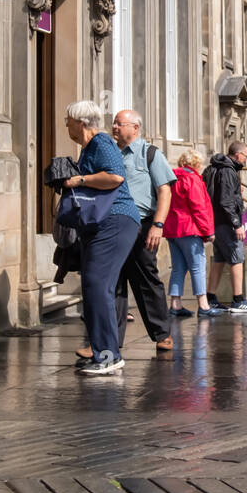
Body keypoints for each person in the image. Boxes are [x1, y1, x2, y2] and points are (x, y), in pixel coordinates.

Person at [62, 101, 140, 376]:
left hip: (116, 219)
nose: (65, 124)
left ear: (81, 122)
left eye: (68, 119)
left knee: (98, 285)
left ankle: (108, 356)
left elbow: (115, 177)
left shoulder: (101, 142)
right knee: (95, 286)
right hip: (104, 224)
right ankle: (103, 353)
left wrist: (79, 180)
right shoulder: (88, 149)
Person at [105, 110, 176, 359]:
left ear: (135, 127)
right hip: (113, 225)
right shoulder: (111, 153)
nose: (113, 126)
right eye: (113, 122)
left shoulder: (150, 154)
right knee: (112, 282)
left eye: (119, 123)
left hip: (142, 225)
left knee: (146, 279)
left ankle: (162, 333)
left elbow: (164, 191)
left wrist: (158, 225)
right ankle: (109, 341)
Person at [202, 141, 247, 313]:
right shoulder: (227, 171)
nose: (246, 161)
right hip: (226, 223)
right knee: (237, 258)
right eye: (245, 157)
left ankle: (211, 298)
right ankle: (238, 300)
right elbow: (225, 201)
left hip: (214, 221)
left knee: (219, 259)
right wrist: (237, 224)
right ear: (238, 155)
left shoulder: (213, 168)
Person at [163, 151, 221, 318]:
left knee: (178, 268)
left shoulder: (171, 178)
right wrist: (208, 231)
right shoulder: (192, 179)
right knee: (197, 266)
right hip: (189, 228)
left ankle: (175, 304)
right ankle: (203, 304)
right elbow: (198, 208)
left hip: (172, 229)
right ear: (195, 164)